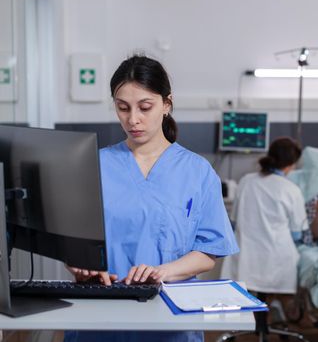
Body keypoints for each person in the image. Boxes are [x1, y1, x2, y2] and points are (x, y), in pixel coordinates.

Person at [64, 55, 238, 342]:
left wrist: (162, 272)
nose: (133, 119)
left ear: (167, 104)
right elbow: (68, 240)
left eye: (145, 107)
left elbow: (209, 251)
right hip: (100, 313)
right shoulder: (94, 166)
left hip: (170, 314)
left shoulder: (197, 171)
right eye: (123, 108)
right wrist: (80, 266)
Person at [220, 137, 308, 294]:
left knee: (246, 299)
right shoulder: (291, 190)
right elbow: (297, 234)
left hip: (245, 260)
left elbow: (233, 223)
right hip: (276, 261)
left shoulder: (246, 181)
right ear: (291, 165)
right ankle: (275, 310)